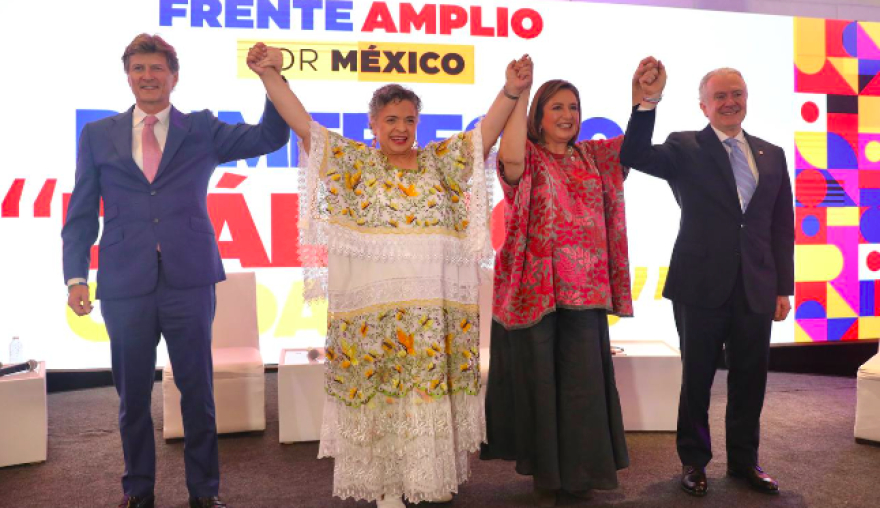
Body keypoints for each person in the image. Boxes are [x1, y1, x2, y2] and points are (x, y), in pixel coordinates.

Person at [246, 43, 532, 507]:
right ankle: (387, 486)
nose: (401, 128)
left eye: (409, 120)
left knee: (426, 390)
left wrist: (511, 90)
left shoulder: (441, 162)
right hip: (373, 317)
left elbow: (483, 135)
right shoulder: (355, 163)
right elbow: (304, 126)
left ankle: (428, 477)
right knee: (382, 395)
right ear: (373, 125)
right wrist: (269, 76)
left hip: (431, 313)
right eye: (391, 120)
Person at [62, 34, 290, 508]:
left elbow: (271, 136)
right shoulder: (98, 134)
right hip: (124, 283)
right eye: (139, 68)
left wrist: (272, 75)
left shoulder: (201, 128)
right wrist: (76, 276)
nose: (148, 76)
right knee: (131, 399)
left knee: (198, 393)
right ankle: (138, 491)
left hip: (189, 279)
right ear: (128, 76)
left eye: (157, 68)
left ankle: (204, 493)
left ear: (174, 76)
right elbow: (81, 212)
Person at [480, 59, 659, 507]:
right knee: (541, 386)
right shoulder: (528, 158)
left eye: (574, 107)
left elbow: (635, 150)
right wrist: (520, 91)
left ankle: (579, 475)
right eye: (556, 107)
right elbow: (511, 156)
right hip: (535, 294)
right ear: (539, 116)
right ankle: (546, 475)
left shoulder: (594, 157)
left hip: (585, 294)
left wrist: (644, 101)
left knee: (582, 387)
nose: (567, 115)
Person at [619, 61, 794, 497]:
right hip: (699, 285)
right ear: (703, 106)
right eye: (720, 96)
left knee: (750, 378)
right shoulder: (685, 147)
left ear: (747, 99)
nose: (730, 102)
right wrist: (647, 102)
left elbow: (780, 226)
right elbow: (634, 155)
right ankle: (694, 462)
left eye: (737, 94)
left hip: (756, 285)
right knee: (697, 378)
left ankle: (744, 461)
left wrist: (783, 287)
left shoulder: (772, 154)